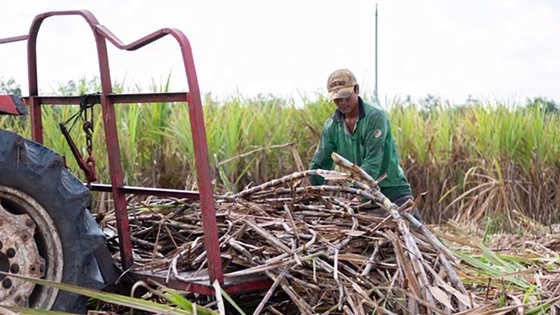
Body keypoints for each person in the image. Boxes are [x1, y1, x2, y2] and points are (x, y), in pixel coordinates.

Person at [308, 68, 422, 221]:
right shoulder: (332, 126)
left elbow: (373, 161)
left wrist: (356, 191)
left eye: (346, 97)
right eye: (337, 99)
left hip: (391, 189)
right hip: (362, 195)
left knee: (411, 234)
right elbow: (320, 162)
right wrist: (311, 191)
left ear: (357, 89)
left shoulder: (375, 116)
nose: (342, 103)